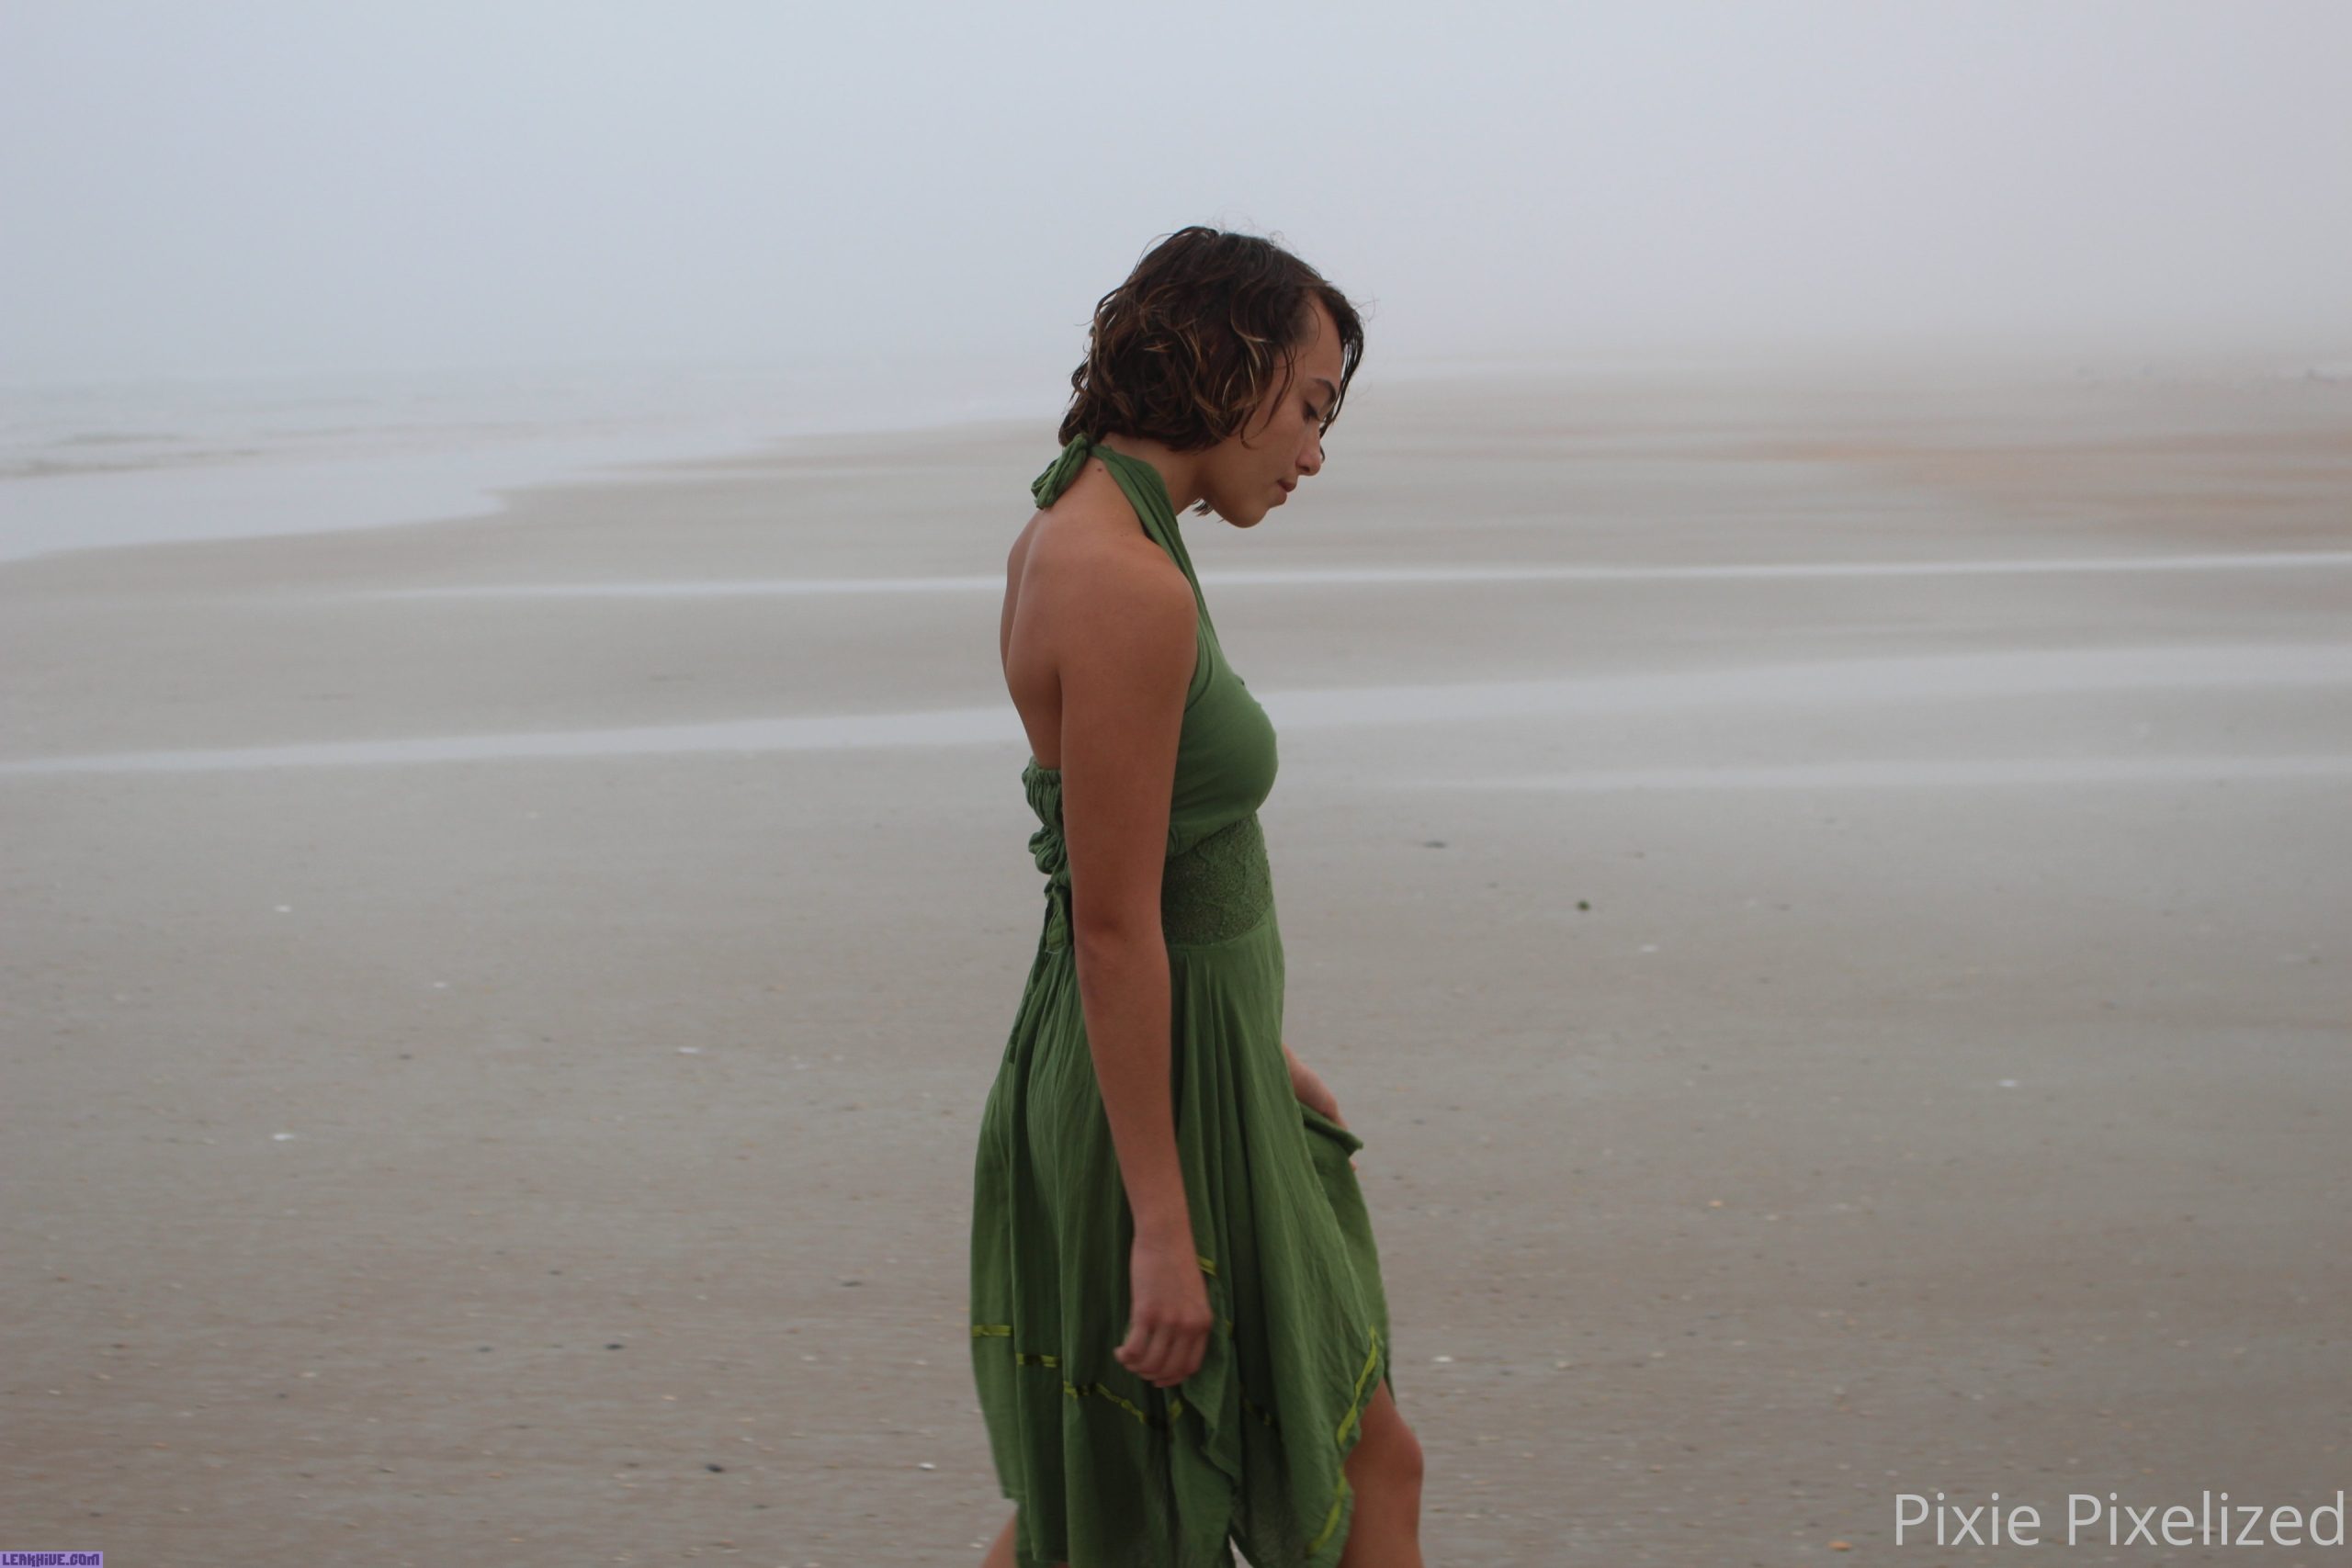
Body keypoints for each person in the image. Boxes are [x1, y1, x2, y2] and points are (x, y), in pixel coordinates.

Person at [970, 226, 1427, 1568]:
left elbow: (1156, 874)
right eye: (1311, 407)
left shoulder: (1095, 528)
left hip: (1195, 1068)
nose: (1315, 453)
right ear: (1230, 362)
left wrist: (1262, 1057)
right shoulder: (1124, 582)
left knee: (1098, 1515)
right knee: (1330, 1471)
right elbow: (1113, 924)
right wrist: (1163, 1235)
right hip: (1153, 1109)